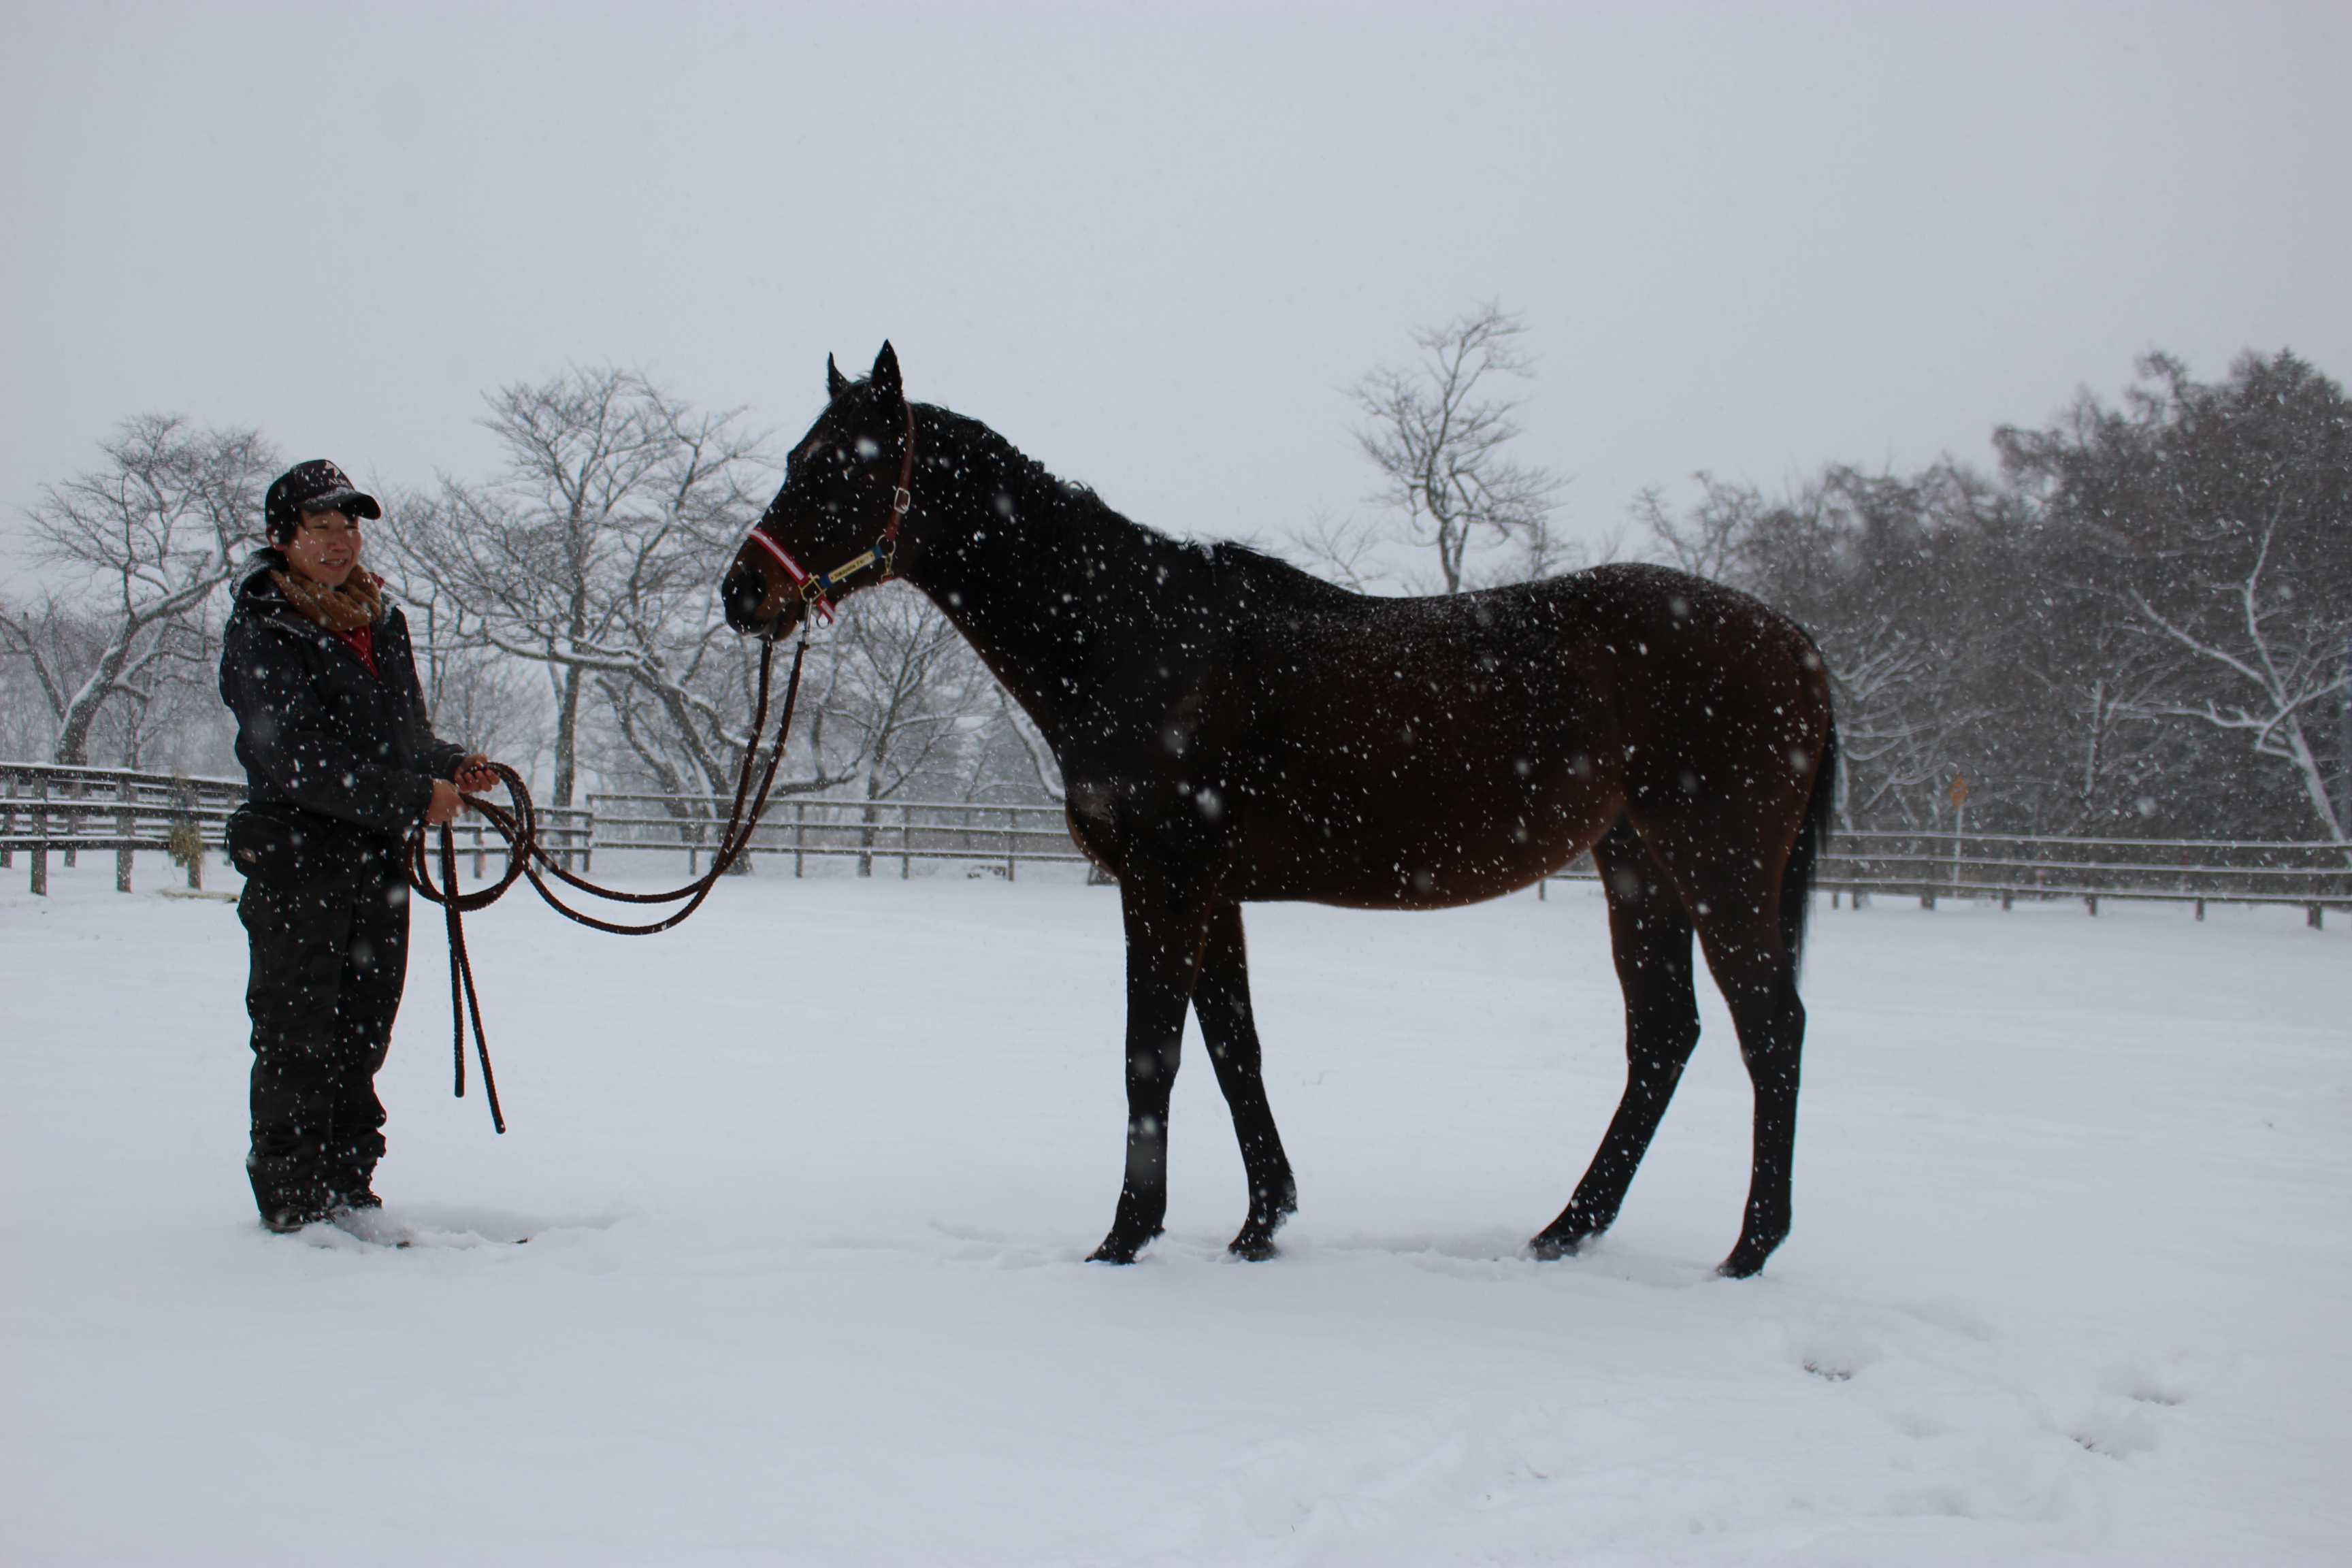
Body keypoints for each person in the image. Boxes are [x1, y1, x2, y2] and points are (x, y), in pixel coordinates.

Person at [219, 459, 500, 1234]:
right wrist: (415, 797)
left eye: (351, 525)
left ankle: (348, 1189)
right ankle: (293, 1202)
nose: (342, 541)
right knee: (296, 1035)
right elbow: (293, 755)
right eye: (322, 526)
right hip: (298, 862)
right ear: (282, 539)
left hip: (375, 862)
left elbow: (400, 735)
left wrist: (447, 765)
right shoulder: (265, 626)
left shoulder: (380, 620)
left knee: (362, 1031)